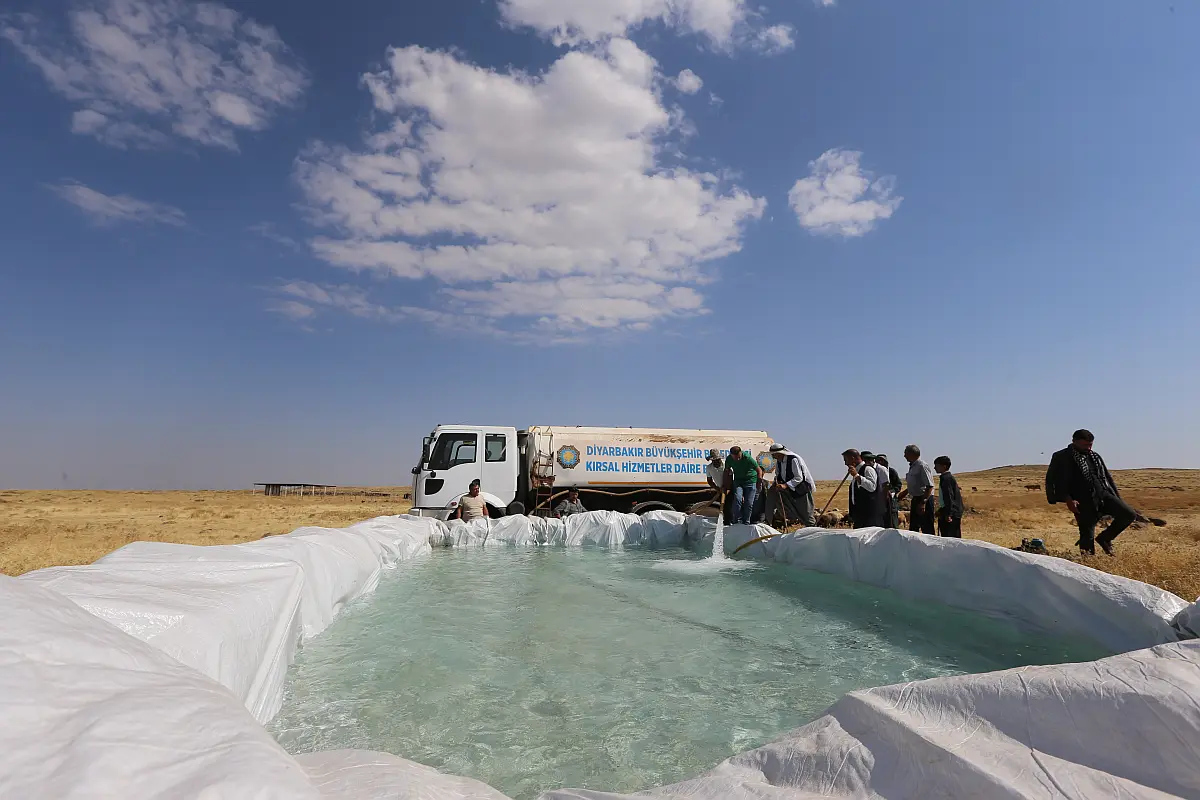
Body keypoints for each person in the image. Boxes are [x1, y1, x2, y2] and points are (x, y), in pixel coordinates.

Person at [1046, 429, 1135, 556]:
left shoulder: (1095, 456)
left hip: (1103, 495)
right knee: (1087, 534)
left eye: (1090, 445)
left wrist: (1116, 496)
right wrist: (1067, 499)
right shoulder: (1061, 456)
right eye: (1084, 445)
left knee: (1128, 514)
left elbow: (1106, 476)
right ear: (1074, 442)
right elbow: (1053, 479)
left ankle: (1105, 538)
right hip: (1081, 500)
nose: (1088, 448)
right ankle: (1089, 564)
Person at [768, 444, 816, 527]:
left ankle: (814, 532)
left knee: (806, 514)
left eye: (774, 454)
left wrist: (786, 485)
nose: (773, 457)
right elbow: (778, 475)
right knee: (795, 512)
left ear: (779, 453)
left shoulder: (793, 459)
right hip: (790, 491)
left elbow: (799, 477)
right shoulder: (779, 462)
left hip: (801, 490)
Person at [896, 444, 935, 535]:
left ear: (911, 454)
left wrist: (923, 503)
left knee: (926, 527)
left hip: (924, 499)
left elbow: (929, 486)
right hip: (916, 498)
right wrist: (904, 493)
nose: (904, 456)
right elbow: (915, 484)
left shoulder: (922, 466)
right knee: (914, 527)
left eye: (905, 453)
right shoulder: (913, 466)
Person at [841, 449, 882, 528]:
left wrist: (857, 476)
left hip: (868, 515)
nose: (845, 463)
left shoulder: (868, 469)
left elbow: (872, 487)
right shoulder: (857, 471)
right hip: (859, 514)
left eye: (846, 460)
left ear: (852, 458)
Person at [726, 446, 763, 525]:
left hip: (751, 481)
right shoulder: (729, 459)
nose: (737, 459)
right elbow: (727, 471)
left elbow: (759, 470)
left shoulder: (747, 458)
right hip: (738, 481)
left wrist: (759, 483)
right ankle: (735, 521)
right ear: (731, 455)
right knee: (738, 499)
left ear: (741, 453)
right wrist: (727, 485)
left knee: (749, 503)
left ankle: (746, 522)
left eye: (739, 457)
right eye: (735, 458)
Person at [933, 456, 963, 538]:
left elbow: (949, 497)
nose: (934, 467)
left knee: (951, 538)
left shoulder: (946, 479)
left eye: (936, 465)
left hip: (952, 512)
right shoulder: (945, 478)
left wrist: (948, 514)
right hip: (950, 510)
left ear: (944, 466)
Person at [862, 452, 894, 529]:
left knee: (885, 519)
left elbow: (885, 485)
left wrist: (883, 499)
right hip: (875, 497)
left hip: (883, 496)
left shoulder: (881, 469)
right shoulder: (867, 470)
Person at [876, 454, 903, 527]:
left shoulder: (891, 471)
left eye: (881, 460)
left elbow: (898, 485)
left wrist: (891, 493)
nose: (879, 462)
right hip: (880, 501)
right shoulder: (876, 471)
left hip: (891, 502)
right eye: (878, 461)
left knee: (892, 522)